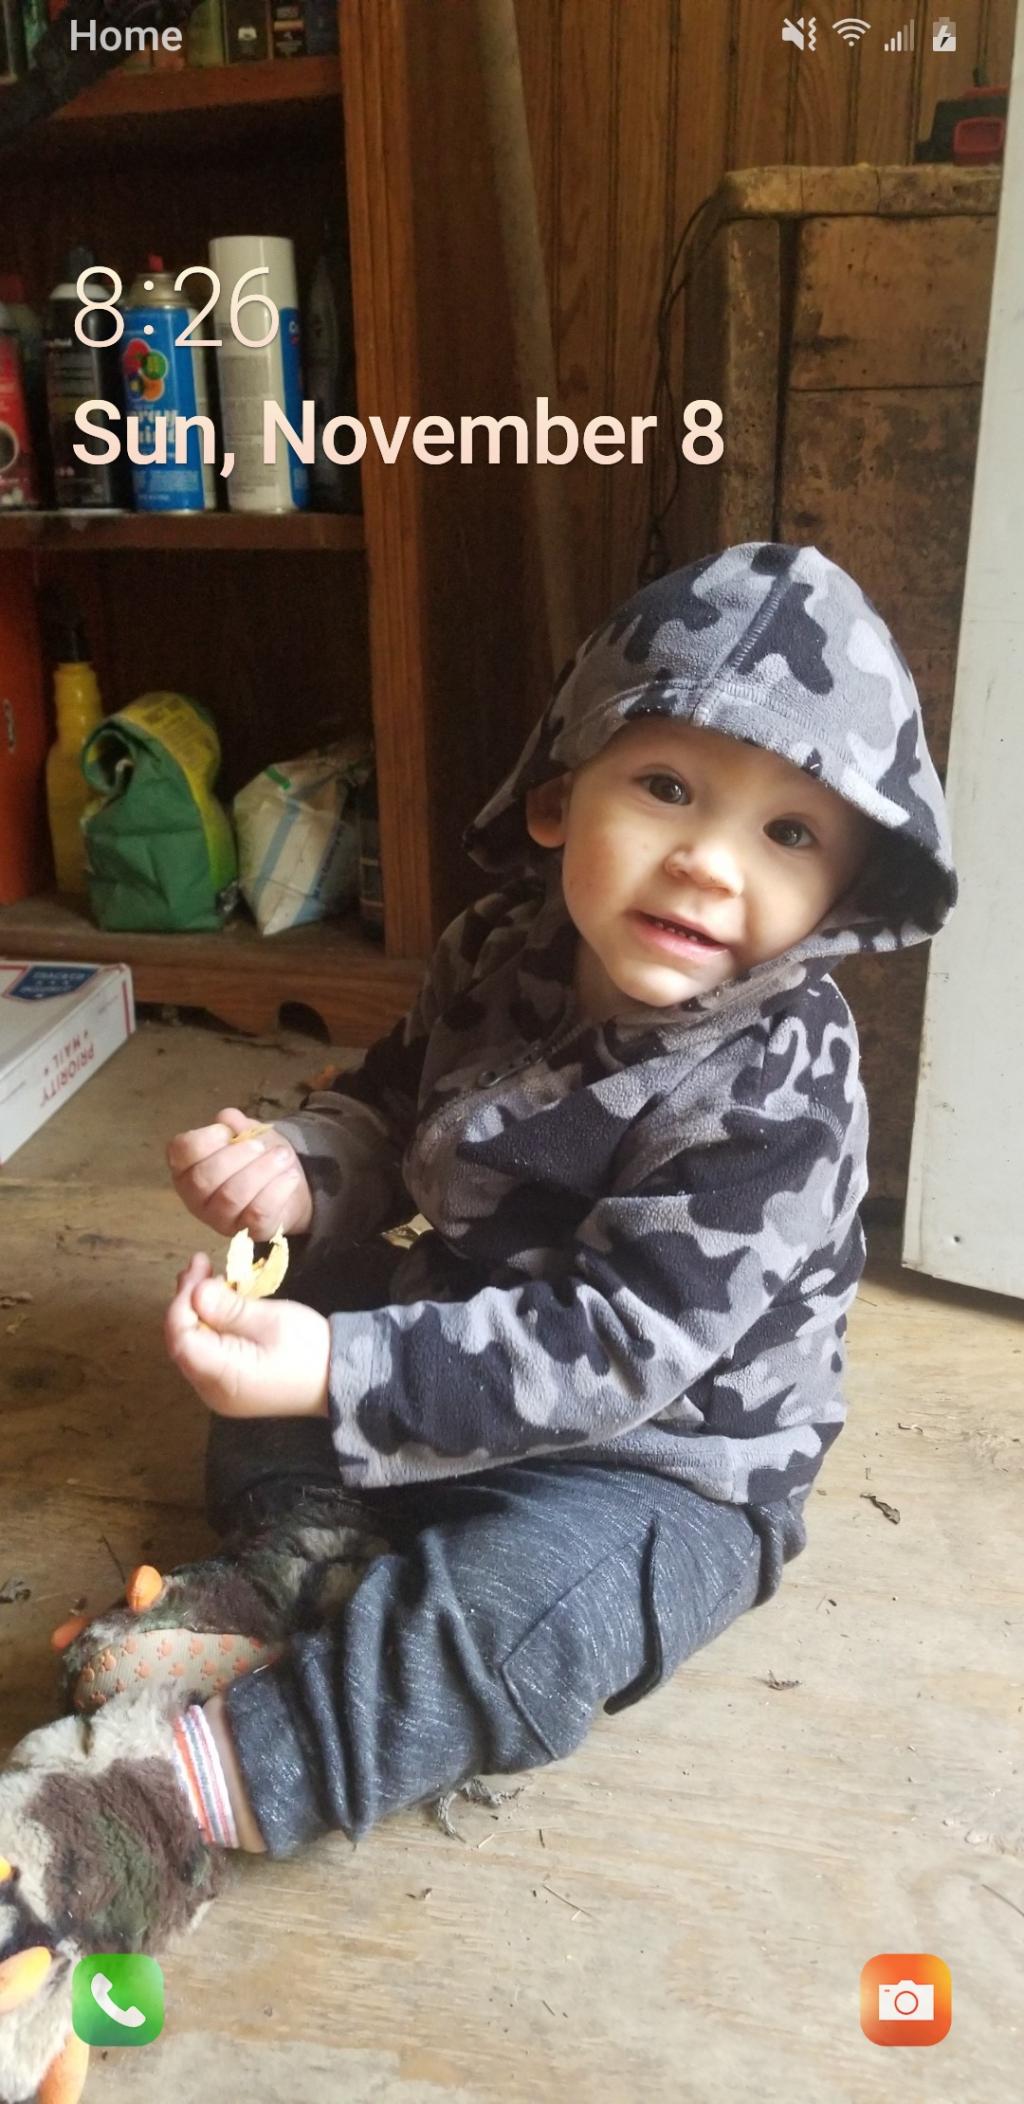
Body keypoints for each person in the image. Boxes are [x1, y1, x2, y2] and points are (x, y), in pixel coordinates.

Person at [0, 542, 957, 2102]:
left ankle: (168, 1801)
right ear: (558, 794)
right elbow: (390, 1110)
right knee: (268, 1356)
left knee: (511, 1624)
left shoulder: (781, 1082)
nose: (711, 864)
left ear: (847, 891)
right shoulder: (495, 952)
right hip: (458, 1346)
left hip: (661, 1475)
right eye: (667, 787)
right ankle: (299, 1564)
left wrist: (346, 1370)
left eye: (789, 831)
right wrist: (297, 1169)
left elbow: (615, 1347)